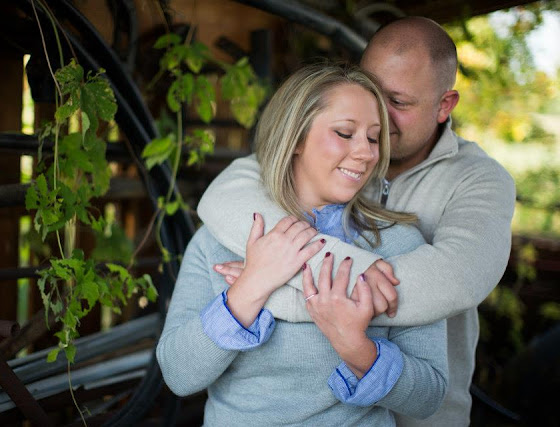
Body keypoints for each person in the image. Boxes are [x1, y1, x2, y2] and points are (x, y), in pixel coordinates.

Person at [197, 17, 516, 427]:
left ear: (444, 106)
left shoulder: (480, 181)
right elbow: (226, 197)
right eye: (370, 89)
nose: (375, 113)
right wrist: (278, 279)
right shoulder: (330, 153)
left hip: (423, 412)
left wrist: (268, 289)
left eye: (398, 103)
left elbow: (456, 279)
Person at [157, 64, 448, 426]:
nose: (366, 153)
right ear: (295, 138)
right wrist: (250, 288)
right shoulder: (224, 237)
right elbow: (178, 375)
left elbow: (430, 396)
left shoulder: (398, 245)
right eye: (345, 133)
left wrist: (357, 348)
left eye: (374, 138)